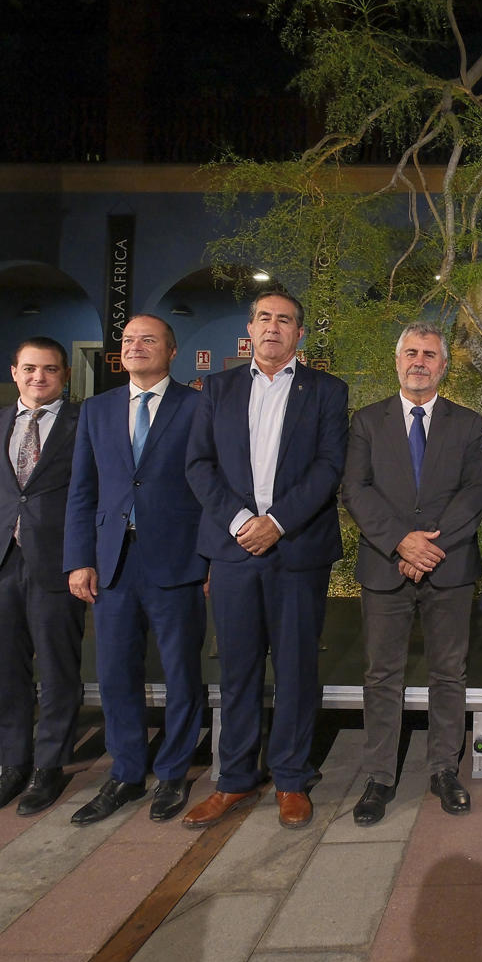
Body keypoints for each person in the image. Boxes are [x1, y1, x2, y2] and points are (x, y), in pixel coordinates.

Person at [183, 290, 349, 831]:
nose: (273, 327)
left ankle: (292, 778)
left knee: (298, 668)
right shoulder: (216, 388)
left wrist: (276, 523)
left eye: (285, 320)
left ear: (299, 334)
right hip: (233, 550)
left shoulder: (326, 390)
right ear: (248, 330)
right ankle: (233, 779)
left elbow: (329, 467)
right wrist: (240, 523)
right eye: (264, 318)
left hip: (296, 549)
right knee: (237, 668)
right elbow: (199, 465)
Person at [341, 322, 482, 825]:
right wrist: (401, 542)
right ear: (397, 360)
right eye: (411, 352)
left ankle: (444, 771)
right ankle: (380, 776)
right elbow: (356, 490)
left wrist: (429, 547)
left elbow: (475, 493)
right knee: (382, 674)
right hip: (385, 565)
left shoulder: (468, 424)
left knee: (449, 673)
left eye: (429, 353)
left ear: (443, 365)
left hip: (448, 568)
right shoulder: (366, 422)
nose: (420, 361)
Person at [63, 315, 208, 826]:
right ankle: (125, 772)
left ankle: (172, 773)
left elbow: (212, 486)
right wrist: (79, 558)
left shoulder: (197, 406)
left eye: (149, 339)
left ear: (172, 352)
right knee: (114, 674)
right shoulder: (97, 410)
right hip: (112, 563)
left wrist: (210, 557)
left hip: (178, 558)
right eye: (128, 340)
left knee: (182, 672)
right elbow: (82, 490)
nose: (136, 347)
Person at [0, 337, 83, 816]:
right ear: (14, 371)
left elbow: (87, 493)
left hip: (55, 563)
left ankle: (49, 767)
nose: (39, 378)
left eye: (50, 370)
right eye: (30, 369)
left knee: (58, 669)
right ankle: (12, 764)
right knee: (4, 672)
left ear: (64, 376)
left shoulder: (84, 423)